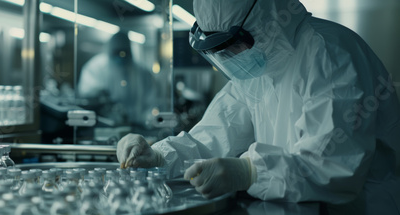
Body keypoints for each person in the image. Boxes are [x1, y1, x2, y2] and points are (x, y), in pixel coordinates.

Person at [116, 0, 400, 214]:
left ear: (268, 17)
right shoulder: (260, 65)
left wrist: (250, 171)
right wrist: (159, 157)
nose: (229, 58)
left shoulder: (329, 52)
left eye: (232, 44)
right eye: (218, 51)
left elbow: (334, 165)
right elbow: (214, 135)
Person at [77, 32, 157, 126]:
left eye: (124, 52)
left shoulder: (142, 72)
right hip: (105, 126)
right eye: (117, 52)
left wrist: (147, 120)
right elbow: (87, 95)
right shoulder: (95, 68)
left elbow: (153, 100)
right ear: (110, 50)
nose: (121, 56)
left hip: (138, 125)